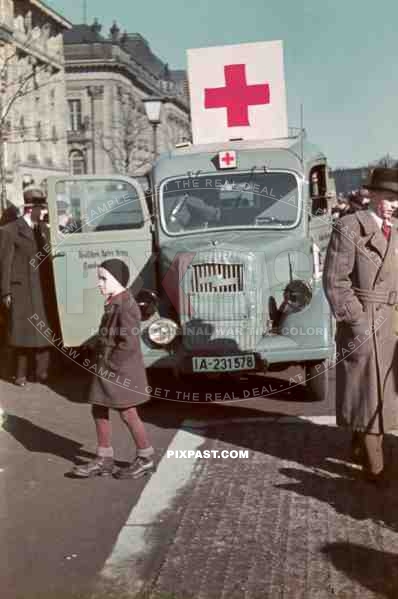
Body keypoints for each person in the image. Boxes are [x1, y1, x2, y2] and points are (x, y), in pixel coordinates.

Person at [323, 167, 398, 487]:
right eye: (388, 197)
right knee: (369, 394)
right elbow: (334, 281)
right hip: (365, 320)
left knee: (381, 393)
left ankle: (359, 443)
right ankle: (375, 467)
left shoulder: (395, 230)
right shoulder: (349, 226)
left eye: (397, 199)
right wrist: (355, 319)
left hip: (392, 320)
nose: (393, 204)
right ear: (372, 195)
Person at [72, 258, 155, 479]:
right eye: (99, 278)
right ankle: (104, 458)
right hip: (108, 367)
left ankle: (145, 458)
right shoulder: (115, 301)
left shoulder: (126, 305)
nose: (99, 283)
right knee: (98, 407)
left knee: (128, 413)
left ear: (117, 280)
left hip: (118, 370)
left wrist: (110, 365)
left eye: (103, 279)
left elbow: (128, 344)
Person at [0, 185, 55, 386]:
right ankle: (20, 374)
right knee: (20, 333)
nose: (44, 213)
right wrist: (5, 291)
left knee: (43, 332)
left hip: (41, 289)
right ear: (30, 209)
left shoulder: (43, 230)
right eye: (41, 209)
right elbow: (5, 263)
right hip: (21, 289)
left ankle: (42, 372)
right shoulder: (9, 230)